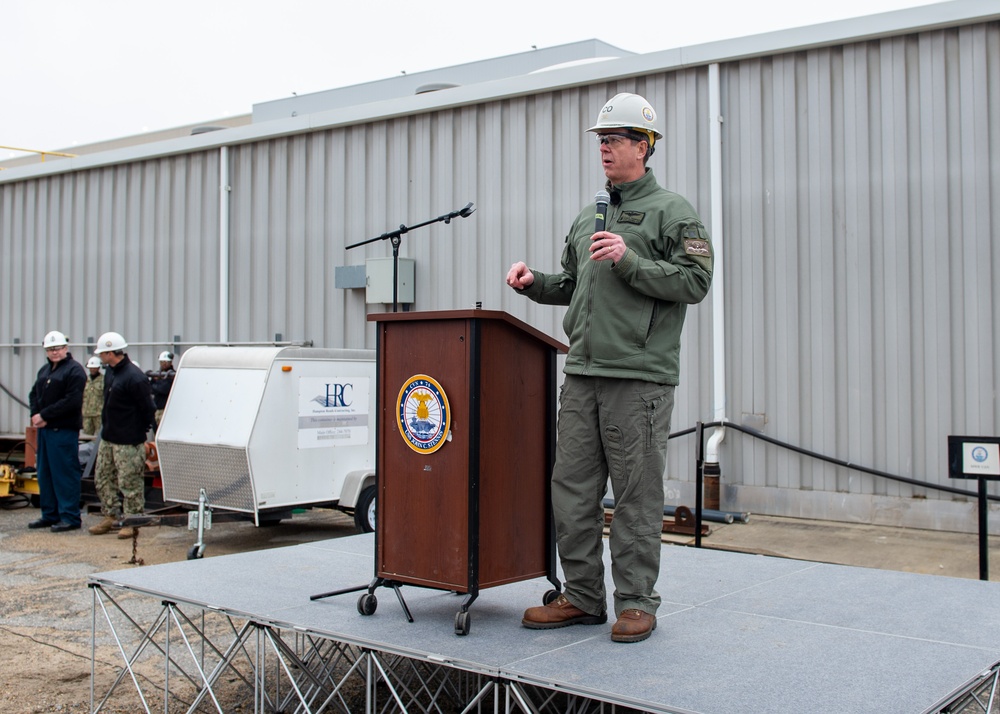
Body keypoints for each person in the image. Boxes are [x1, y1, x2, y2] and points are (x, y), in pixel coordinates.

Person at [507, 93, 713, 643]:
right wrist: (536, 285)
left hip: (638, 377)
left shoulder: (674, 212)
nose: (605, 148)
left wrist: (631, 259)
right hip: (584, 374)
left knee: (634, 496)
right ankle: (581, 596)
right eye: (601, 139)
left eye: (616, 139)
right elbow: (575, 286)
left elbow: (695, 282)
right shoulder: (588, 215)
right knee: (570, 491)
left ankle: (637, 603)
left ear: (644, 147)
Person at [88, 331, 155, 539]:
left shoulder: (134, 377)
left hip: (128, 440)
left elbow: (147, 408)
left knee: (130, 482)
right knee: (102, 477)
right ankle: (111, 515)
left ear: (111, 353)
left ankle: (133, 520)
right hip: (109, 437)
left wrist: (140, 433)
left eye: (102, 353)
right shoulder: (111, 372)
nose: (100, 357)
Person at [27, 330, 87, 533]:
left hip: (63, 431)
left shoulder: (74, 371)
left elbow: (72, 400)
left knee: (64, 474)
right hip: (45, 431)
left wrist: (45, 415)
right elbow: (33, 393)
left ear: (66, 348)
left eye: (58, 348)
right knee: (45, 473)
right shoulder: (45, 371)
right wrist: (35, 414)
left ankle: (70, 516)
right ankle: (49, 514)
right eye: (51, 349)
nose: (54, 352)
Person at [148, 350, 176, 427]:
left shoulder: (172, 375)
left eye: (165, 362)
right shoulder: (158, 374)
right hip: (157, 408)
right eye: (161, 362)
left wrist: (156, 385)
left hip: (166, 409)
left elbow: (164, 389)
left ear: (170, 362)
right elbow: (149, 388)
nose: (163, 364)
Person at [81, 356, 104, 436]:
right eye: (91, 368)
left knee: (100, 436)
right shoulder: (84, 380)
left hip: (99, 414)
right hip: (86, 413)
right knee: (86, 436)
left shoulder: (104, 380)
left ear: (98, 368)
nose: (92, 369)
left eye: (94, 368)